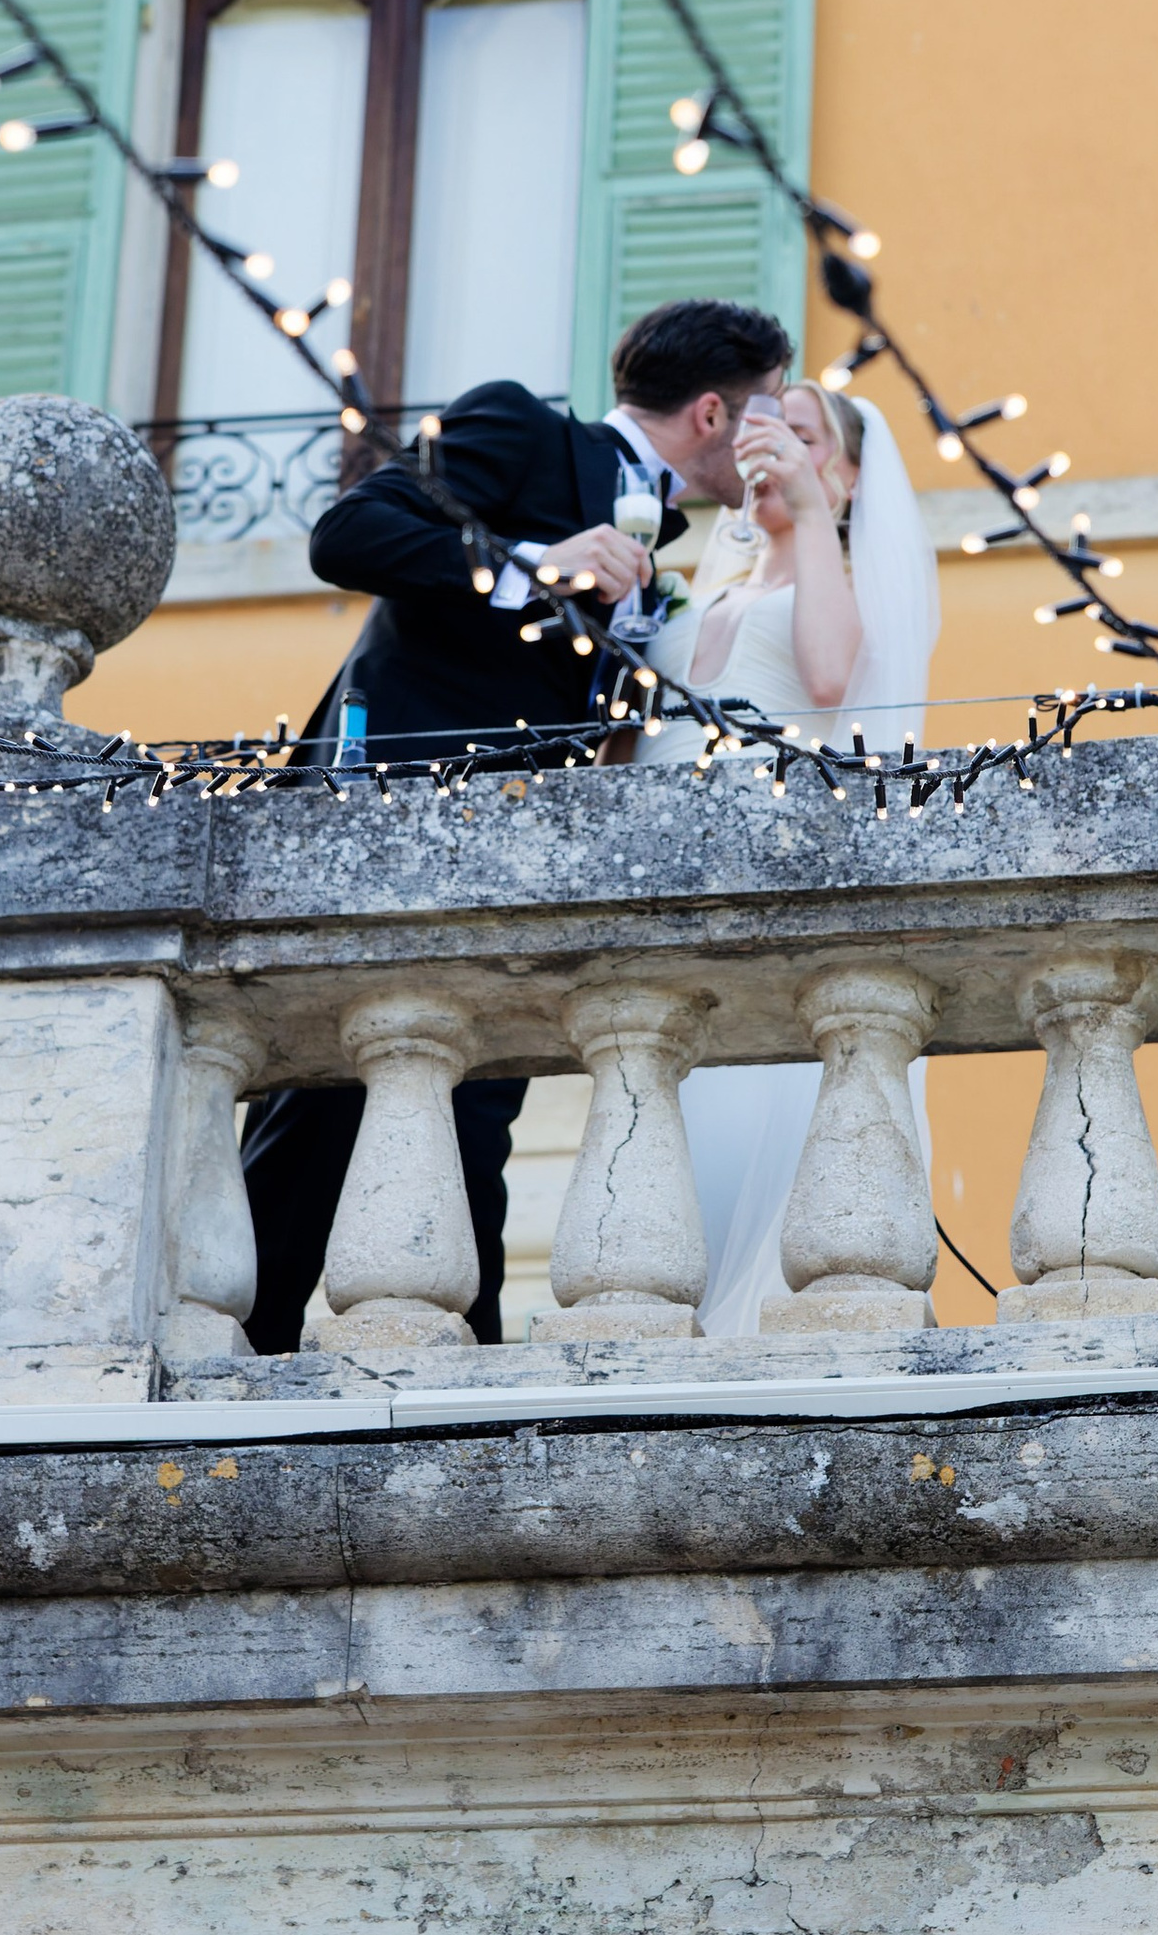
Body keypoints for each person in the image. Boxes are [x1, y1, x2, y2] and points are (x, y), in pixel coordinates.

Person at [238, 296, 792, 1356]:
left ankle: (466, 1371)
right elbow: (348, 534)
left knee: (476, 1121)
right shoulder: (523, 429)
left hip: (517, 871)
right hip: (390, 821)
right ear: (714, 412)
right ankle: (241, 1345)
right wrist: (533, 563)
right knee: (319, 1108)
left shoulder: (666, 557)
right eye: (766, 410)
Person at [647, 381, 943, 1335]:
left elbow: (826, 678)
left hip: (762, 900)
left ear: (848, 476)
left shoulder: (844, 589)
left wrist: (810, 514)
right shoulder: (714, 585)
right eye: (762, 432)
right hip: (671, 900)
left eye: (801, 438)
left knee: (749, 1145)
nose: (768, 450)